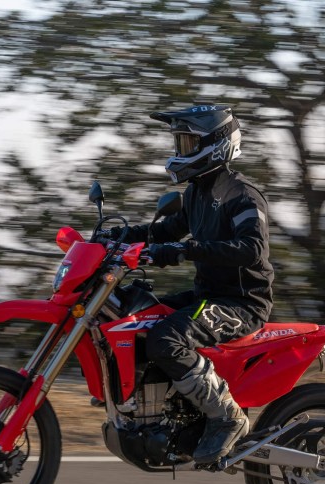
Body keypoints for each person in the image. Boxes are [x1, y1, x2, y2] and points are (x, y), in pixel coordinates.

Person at [109, 104, 274, 464]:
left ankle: (227, 416)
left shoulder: (242, 195)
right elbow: (164, 231)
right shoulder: (197, 193)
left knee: (165, 338)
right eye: (179, 142)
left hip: (241, 303)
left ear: (215, 144)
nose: (179, 150)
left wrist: (186, 250)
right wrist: (117, 237)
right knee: (134, 318)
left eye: (187, 142)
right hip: (208, 295)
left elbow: (252, 249)